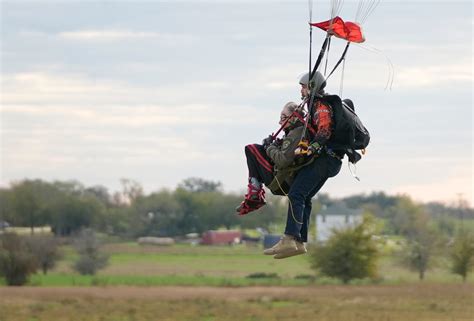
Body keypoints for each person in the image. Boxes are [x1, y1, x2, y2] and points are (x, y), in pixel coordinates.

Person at [263, 71, 343, 259]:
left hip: (325, 159)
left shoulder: (320, 106)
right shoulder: (314, 104)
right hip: (331, 161)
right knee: (304, 197)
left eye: (303, 86)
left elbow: (324, 132)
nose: (301, 89)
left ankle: (289, 238)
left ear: (312, 87)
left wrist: (312, 148)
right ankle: (299, 242)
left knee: (296, 194)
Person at [236, 101, 305, 216]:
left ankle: (255, 194)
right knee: (256, 149)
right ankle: (255, 192)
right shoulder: (293, 132)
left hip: (281, 182)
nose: (280, 122)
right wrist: (276, 144)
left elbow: (283, 161)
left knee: (251, 149)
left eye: (283, 118)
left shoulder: (295, 135)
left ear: (293, 118)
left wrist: (269, 146)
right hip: (283, 179)